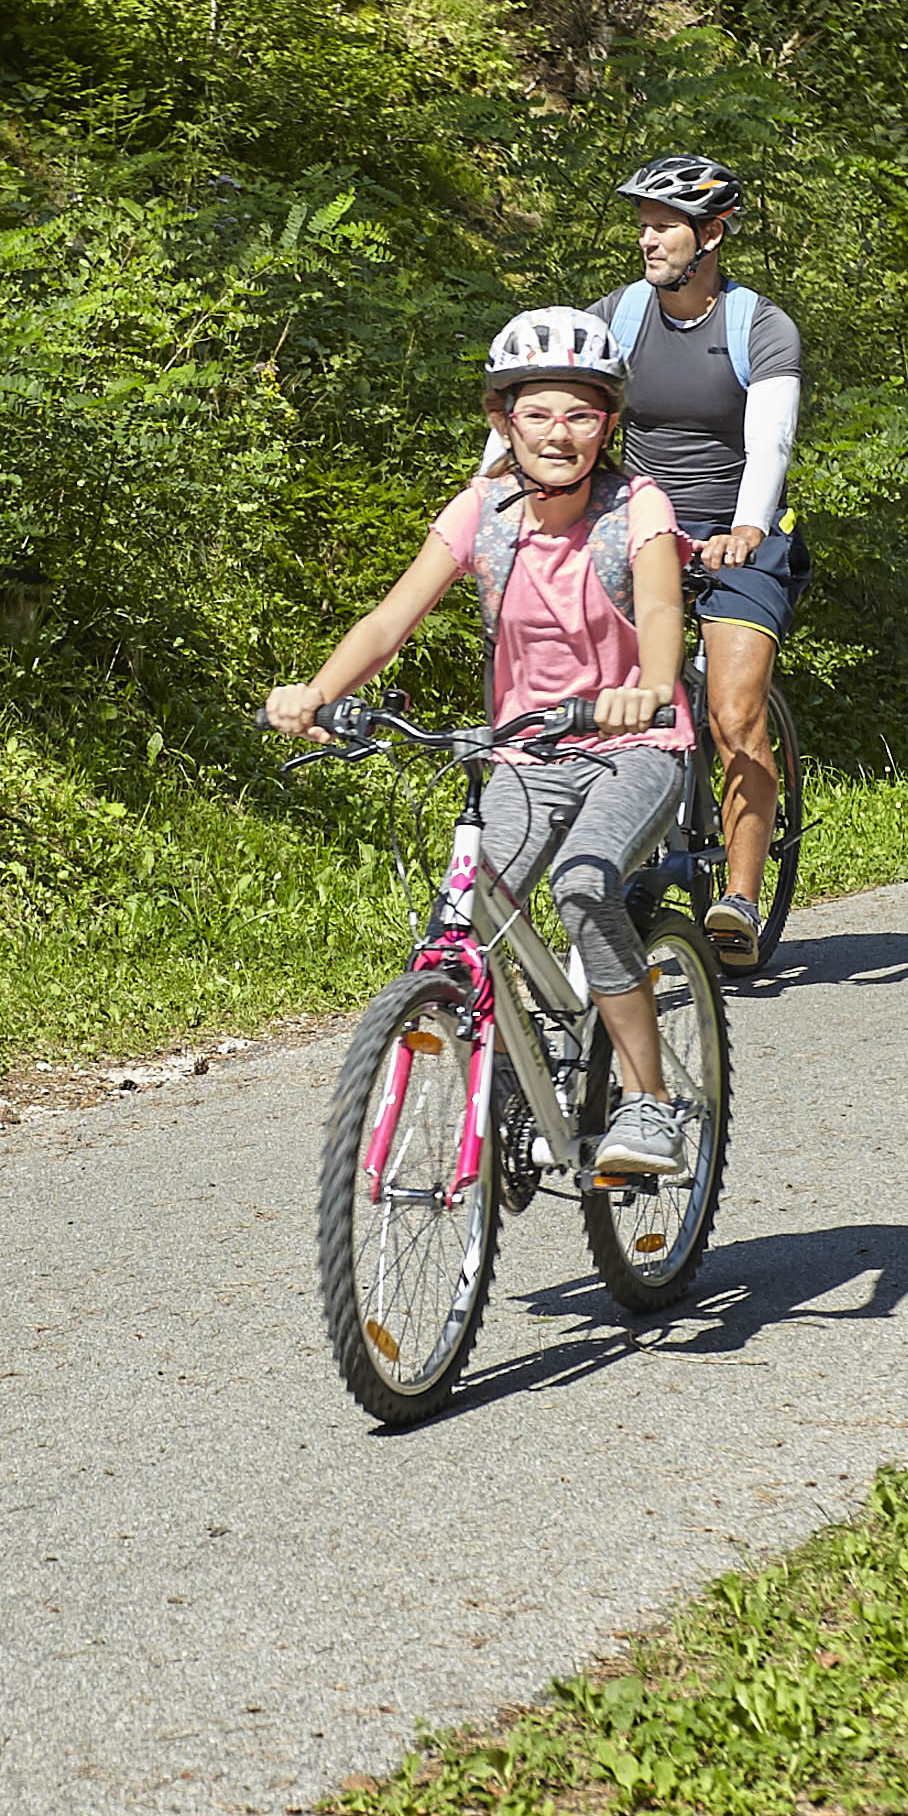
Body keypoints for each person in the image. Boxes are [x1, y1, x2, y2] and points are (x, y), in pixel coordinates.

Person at [276, 308, 707, 1191]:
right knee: (471, 907)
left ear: (608, 426)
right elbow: (391, 620)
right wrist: (319, 692)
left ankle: (647, 1101)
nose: (560, 433)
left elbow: (662, 609)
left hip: (635, 742)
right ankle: (508, 1069)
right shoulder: (481, 512)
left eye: (581, 415)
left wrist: (651, 685)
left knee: (585, 886)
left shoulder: (638, 509)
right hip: (523, 750)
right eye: (539, 413)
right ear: (501, 422)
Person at [479, 154, 805, 961]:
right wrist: (487, 498)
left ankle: (737, 897)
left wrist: (748, 528)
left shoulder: (758, 327)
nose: (646, 238)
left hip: (739, 535)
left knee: (733, 713)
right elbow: (542, 404)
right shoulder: (615, 316)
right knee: (603, 700)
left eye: (663, 225)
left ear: (712, 234)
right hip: (632, 528)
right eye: (642, 224)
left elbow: (770, 443)